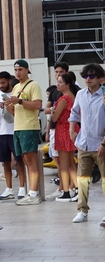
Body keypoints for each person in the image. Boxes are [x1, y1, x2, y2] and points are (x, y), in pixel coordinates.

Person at [69, 63, 105, 226]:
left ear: (101, 79)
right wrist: (72, 129)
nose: (88, 79)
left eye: (91, 76)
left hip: (101, 143)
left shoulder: (104, 95)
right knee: (82, 179)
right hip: (84, 143)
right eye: (85, 76)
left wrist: (104, 143)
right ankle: (82, 210)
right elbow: (74, 112)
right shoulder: (81, 94)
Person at [5, 59, 43, 206]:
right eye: (15, 70)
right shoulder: (15, 87)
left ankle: (34, 193)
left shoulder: (33, 85)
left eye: (20, 69)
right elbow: (14, 111)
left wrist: (20, 101)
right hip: (18, 127)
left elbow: (38, 105)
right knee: (25, 160)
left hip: (29, 126)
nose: (18, 72)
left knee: (31, 160)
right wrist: (7, 104)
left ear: (27, 70)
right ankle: (30, 192)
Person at [0, 71, 26, 200]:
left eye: (3, 83)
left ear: (9, 81)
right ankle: (9, 188)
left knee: (19, 160)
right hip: (1, 132)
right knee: (5, 162)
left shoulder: (16, 94)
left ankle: (22, 188)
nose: (1, 85)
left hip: (15, 131)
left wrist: (9, 105)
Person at [49, 73, 79, 202]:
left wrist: (51, 112)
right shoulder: (73, 97)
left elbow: (55, 118)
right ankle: (77, 188)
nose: (58, 84)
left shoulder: (63, 99)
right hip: (72, 128)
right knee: (71, 162)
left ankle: (66, 191)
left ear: (67, 84)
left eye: (60, 82)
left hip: (63, 129)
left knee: (64, 164)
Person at [44, 62, 71, 199]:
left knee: (67, 161)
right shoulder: (55, 91)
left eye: (61, 72)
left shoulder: (70, 93)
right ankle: (64, 187)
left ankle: (68, 188)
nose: (58, 75)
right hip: (57, 129)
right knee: (59, 160)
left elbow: (54, 115)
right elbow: (46, 109)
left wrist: (54, 111)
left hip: (67, 128)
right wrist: (48, 131)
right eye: (56, 72)